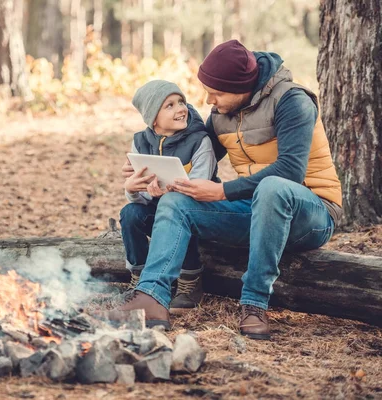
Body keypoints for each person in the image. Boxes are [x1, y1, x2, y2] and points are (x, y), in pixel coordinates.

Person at [119, 40, 342, 339]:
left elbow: (290, 170)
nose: (209, 100)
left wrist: (221, 192)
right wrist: (147, 176)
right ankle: (152, 298)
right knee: (176, 202)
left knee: (272, 187)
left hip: (312, 214)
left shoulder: (292, 101)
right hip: (252, 211)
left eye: (217, 92)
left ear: (243, 86)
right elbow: (191, 151)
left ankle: (253, 304)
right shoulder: (221, 114)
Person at [119, 80, 218, 323]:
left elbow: (200, 187)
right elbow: (140, 197)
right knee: (130, 213)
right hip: (157, 208)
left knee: (179, 208)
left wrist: (171, 195)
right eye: (170, 105)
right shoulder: (140, 142)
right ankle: (140, 279)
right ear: (153, 118)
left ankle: (189, 280)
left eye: (181, 102)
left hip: (194, 209)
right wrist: (132, 189)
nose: (181, 109)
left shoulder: (199, 141)